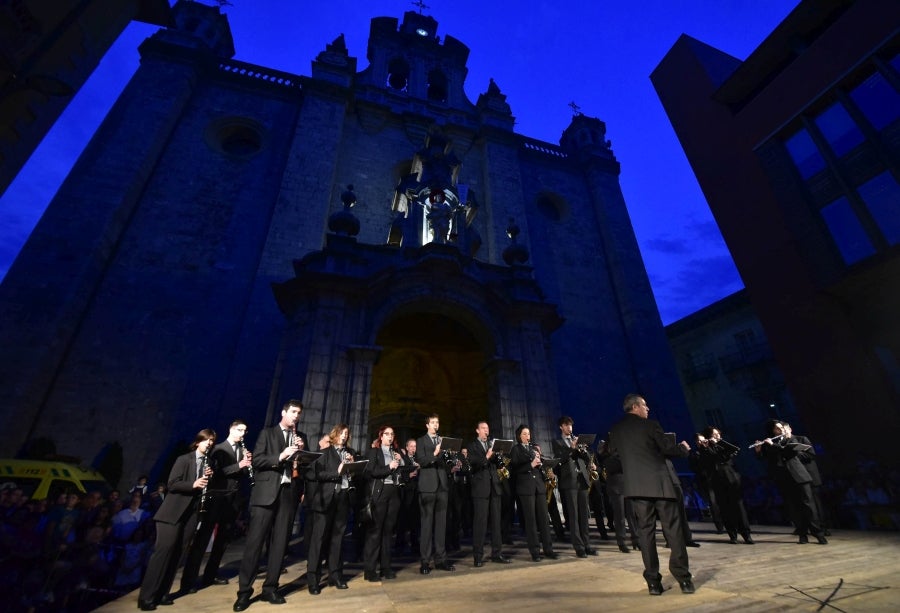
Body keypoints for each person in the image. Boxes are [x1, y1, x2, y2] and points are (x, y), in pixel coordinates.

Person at [609, 394, 694, 596]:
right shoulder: (651, 425)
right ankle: (684, 580)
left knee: (645, 534)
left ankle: (653, 583)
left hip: (636, 489)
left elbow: (613, 458)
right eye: (645, 405)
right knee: (673, 532)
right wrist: (683, 449)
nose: (648, 409)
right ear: (636, 407)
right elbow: (667, 449)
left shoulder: (616, 430)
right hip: (660, 486)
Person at [234, 400, 308, 612]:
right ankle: (244, 592)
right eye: (293, 412)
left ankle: (270, 588)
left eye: (299, 413)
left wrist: (301, 454)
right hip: (266, 494)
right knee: (255, 544)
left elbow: (305, 467)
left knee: (279, 545)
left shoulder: (300, 438)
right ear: (284, 412)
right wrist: (281, 455)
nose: (296, 416)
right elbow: (257, 461)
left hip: (287, 494)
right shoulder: (267, 434)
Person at [137, 429, 215, 611]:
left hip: (191, 514)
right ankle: (146, 596)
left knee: (178, 555)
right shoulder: (184, 459)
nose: (209, 443)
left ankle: (163, 593)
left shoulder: (208, 462)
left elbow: (203, 488)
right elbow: (172, 484)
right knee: (163, 554)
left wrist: (207, 480)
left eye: (212, 441)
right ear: (198, 442)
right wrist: (193, 484)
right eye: (206, 440)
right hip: (172, 513)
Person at [181, 419, 254, 592]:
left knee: (222, 542)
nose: (242, 434)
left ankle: (210, 576)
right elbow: (216, 473)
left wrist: (247, 465)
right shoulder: (219, 448)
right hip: (216, 500)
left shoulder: (242, 450)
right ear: (231, 429)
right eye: (239, 430)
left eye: (245, 431)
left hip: (232, 502)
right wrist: (239, 465)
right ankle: (189, 581)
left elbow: (239, 475)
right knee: (202, 541)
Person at [754, 420, 827, 545]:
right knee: (794, 508)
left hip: (800, 476)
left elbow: (789, 452)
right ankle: (802, 534)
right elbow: (765, 459)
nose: (781, 430)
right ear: (773, 431)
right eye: (777, 428)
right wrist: (759, 450)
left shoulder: (793, 440)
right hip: (784, 479)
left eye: (781, 427)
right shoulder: (772, 443)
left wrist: (773, 445)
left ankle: (818, 533)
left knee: (808, 505)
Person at [305, 423, 355, 594]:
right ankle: (313, 579)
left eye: (346, 433)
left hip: (342, 499)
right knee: (318, 541)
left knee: (338, 539)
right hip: (325, 500)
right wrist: (338, 472)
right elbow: (316, 475)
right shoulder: (324, 453)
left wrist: (352, 468)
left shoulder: (350, 453)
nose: (344, 436)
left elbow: (352, 475)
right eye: (341, 433)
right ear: (335, 435)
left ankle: (335, 575)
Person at [694, 427, 753, 544]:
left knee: (739, 507)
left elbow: (731, 453)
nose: (717, 436)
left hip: (731, 479)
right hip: (717, 480)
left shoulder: (724, 445)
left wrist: (718, 443)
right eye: (714, 434)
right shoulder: (703, 449)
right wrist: (706, 448)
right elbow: (705, 463)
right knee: (725, 508)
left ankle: (746, 534)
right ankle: (732, 534)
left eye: (718, 434)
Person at [508, 424, 558, 562]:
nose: (527, 436)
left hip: (538, 487)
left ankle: (549, 549)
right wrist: (530, 465)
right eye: (524, 434)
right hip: (526, 488)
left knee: (544, 520)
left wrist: (544, 464)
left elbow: (539, 465)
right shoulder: (515, 450)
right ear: (519, 436)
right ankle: (535, 551)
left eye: (528, 434)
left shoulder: (533, 448)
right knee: (531, 521)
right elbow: (515, 470)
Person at [414, 414, 455, 574]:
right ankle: (425, 562)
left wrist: (448, 453)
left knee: (441, 526)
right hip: (427, 487)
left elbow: (445, 463)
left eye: (437, 422)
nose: (436, 425)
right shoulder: (421, 441)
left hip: (442, 486)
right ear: (427, 425)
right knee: (426, 526)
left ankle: (441, 560)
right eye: (433, 423)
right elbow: (422, 461)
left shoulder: (442, 440)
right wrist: (436, 453)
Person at [551, 416, 597, 558]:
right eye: (566, 425)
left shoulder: (577, 441)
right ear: (561, 427)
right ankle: (579, 547)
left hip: (581, 480)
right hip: (569, 481)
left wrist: (582, 449)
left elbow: (587, 458)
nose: (569, 428)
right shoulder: (557, 442)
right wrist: (572, 449)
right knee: (573, 515)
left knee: (584, 514)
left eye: (570, 425)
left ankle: (587, 544)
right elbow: (561, 459)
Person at [362, 425, 403, 581]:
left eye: (392, 434)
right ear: (381, 436)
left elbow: (402, 473)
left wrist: (401, 462)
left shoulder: (396, 453)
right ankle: (370, 570)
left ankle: (386, 567)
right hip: (380, 493)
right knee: (375, 532)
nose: (390, 437)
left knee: (388, 532)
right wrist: (389, 467)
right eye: (387, 434)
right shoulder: (375, 452)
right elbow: (370, 471)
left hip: (393, 493)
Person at [467, 421, 510, 567]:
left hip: (495, 487)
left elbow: (498, 464)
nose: (486, 431)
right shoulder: (472, 446)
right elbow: (474, 464)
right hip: (481, 489)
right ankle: (478, 556)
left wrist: (499, 457)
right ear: (477, 430)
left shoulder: (492, 444)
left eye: (487, 428)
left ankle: (497, 553)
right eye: (483, 428)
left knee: (496, 523)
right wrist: (487, 456)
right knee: (480, 523)